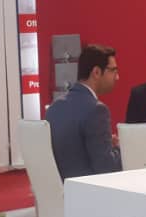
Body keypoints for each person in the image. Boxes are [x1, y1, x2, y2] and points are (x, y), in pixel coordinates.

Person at [45, 45, 122, 179]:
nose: (117, 77)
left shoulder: (54, 107)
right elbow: (107, 168)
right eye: (113, 71)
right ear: (96, 72)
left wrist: (107, 145)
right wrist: (122, 148)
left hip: (64, 188)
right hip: (89, 189)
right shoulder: (97, 110)